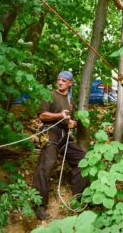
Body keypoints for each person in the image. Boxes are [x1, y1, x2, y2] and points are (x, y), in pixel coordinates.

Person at [33, 71, 89, 220]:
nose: (60, 82)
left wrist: (73, 123)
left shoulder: (71, 101)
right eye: (59, 80)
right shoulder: (50, 95)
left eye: (64, 80)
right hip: (49, 132)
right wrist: (59, 116)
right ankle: (40, 205)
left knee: (83, 159)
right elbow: (42, 115)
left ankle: (78, 197)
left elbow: (73, 120)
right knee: (47, 163)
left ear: (70, 83)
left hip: (64, 136)